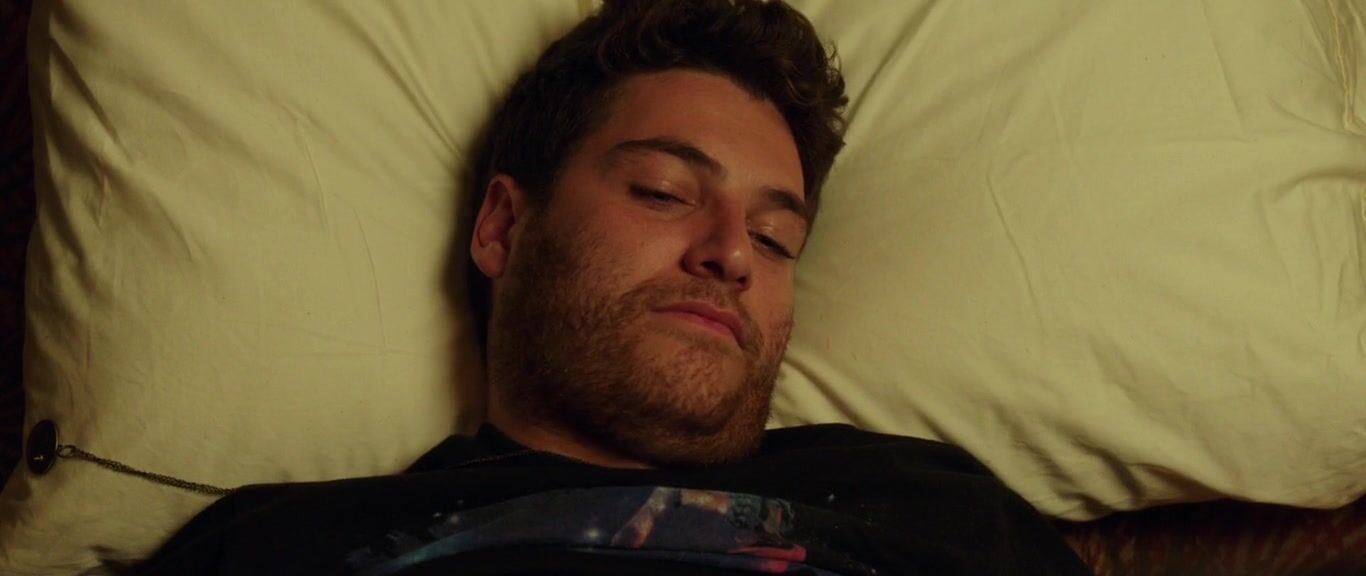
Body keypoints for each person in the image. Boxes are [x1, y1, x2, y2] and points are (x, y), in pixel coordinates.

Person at [134, 1, 1092, 574]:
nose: (734, 253)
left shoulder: (943, 514)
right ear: (503, 227)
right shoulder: (278, 545)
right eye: (664, 191)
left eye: (776, 237)